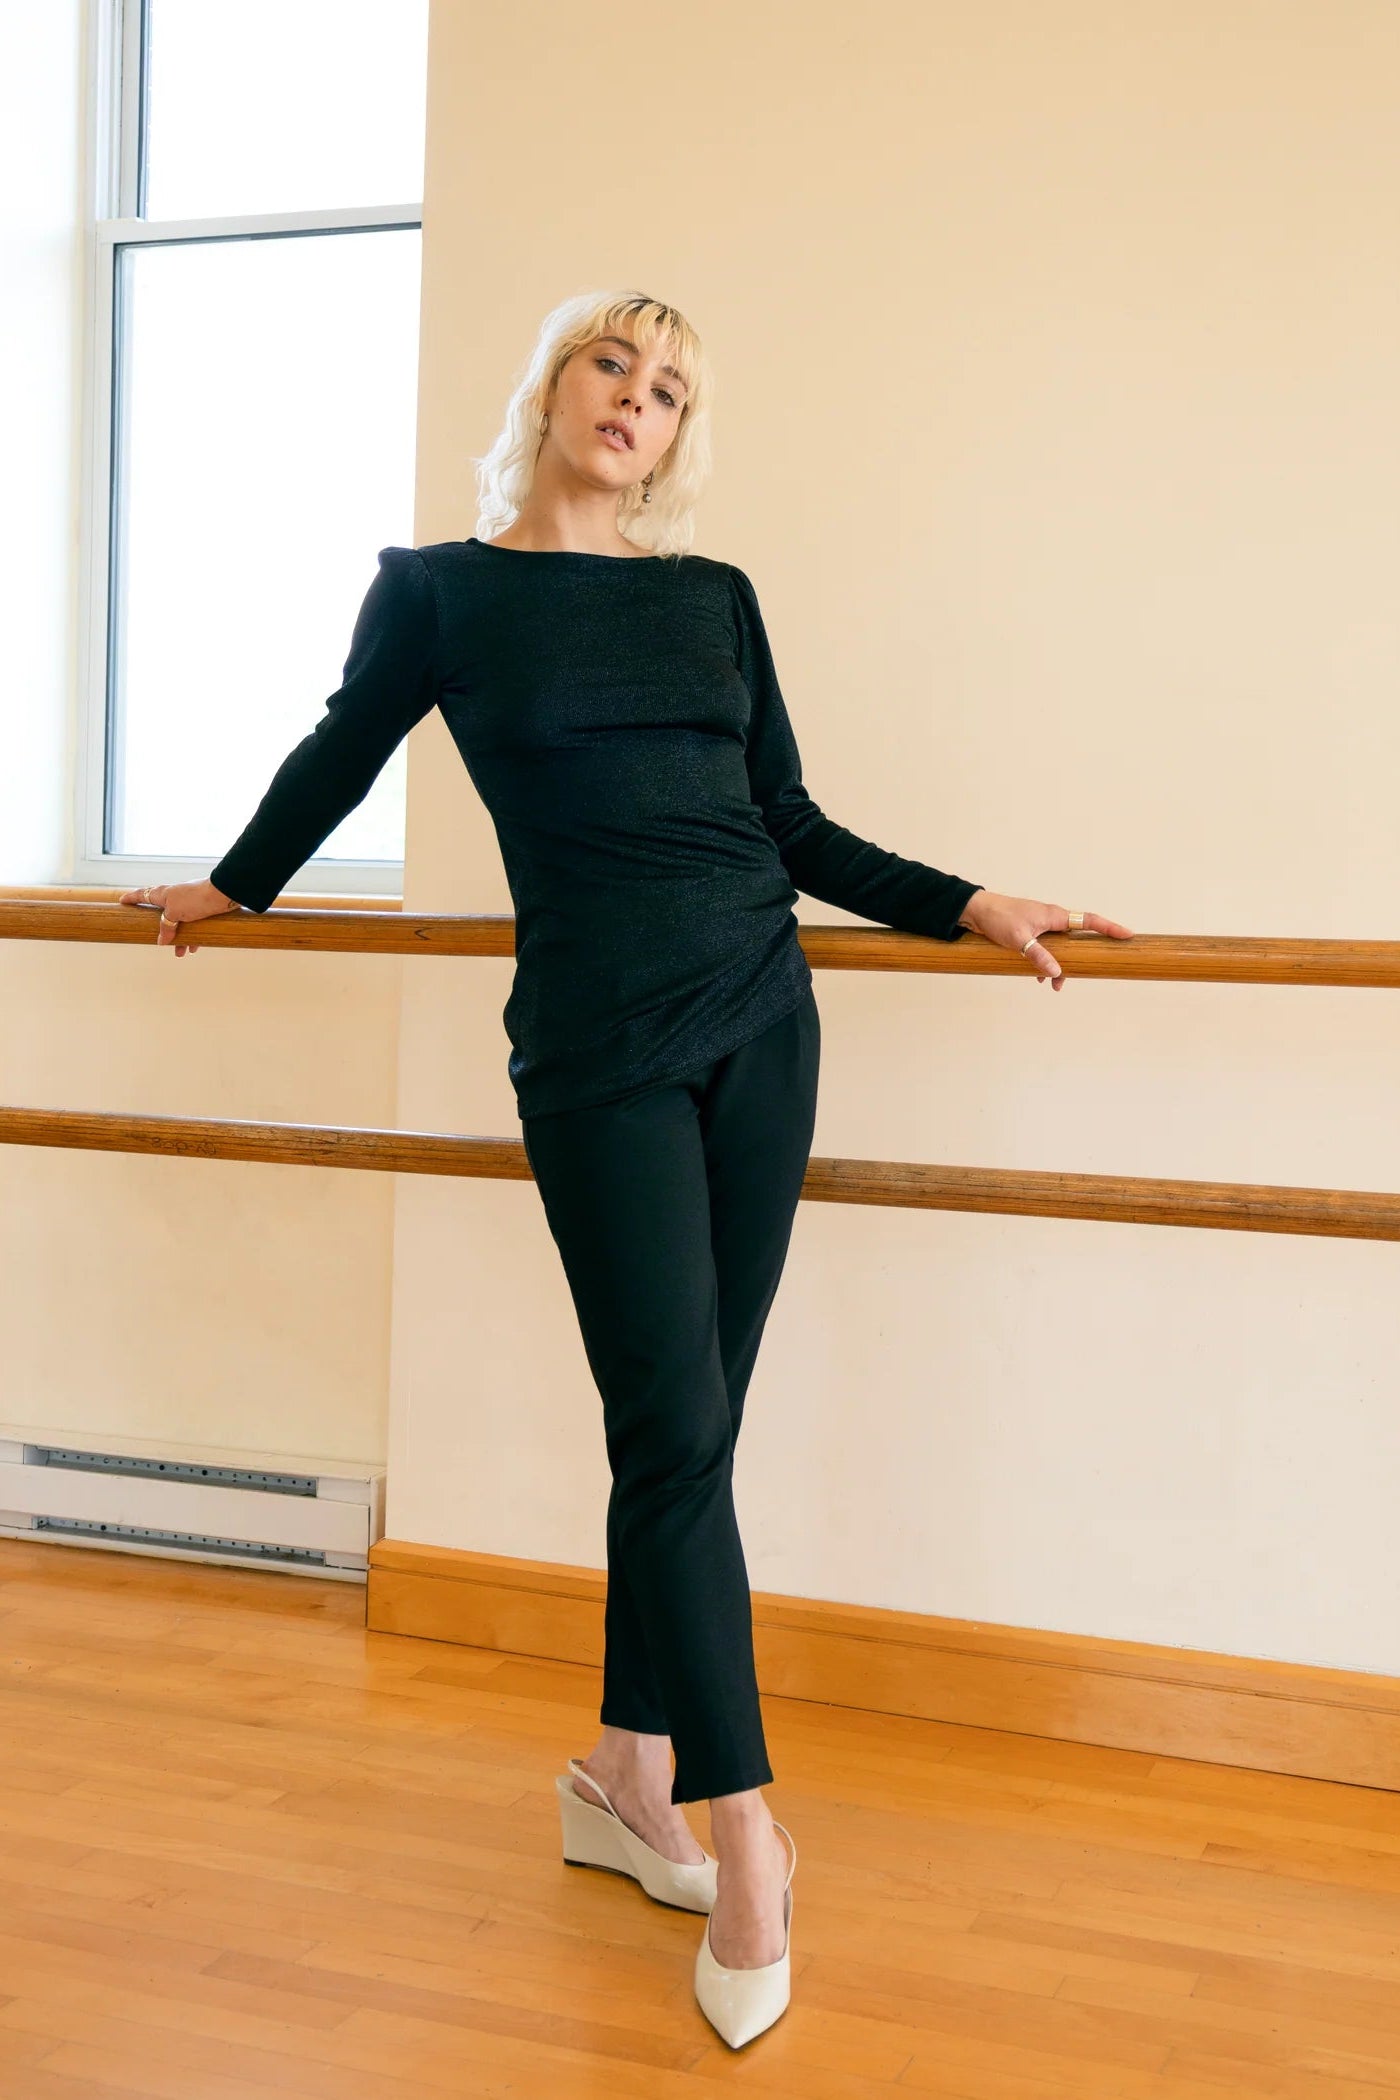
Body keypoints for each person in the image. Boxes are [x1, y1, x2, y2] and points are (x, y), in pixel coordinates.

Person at [120, 287, 1133, 2046]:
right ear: (556, 382)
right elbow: (337, 750)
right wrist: (237, 880)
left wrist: (973, 901)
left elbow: (791, 826)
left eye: (668, 391)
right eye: (615, 365)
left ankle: (620, 1770)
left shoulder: (713, 602)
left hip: (766, 1023)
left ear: (676, 438)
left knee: (691, 1432)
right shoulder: (441, 593)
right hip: (598, 1057)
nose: (636, 403)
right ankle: (749, 1844)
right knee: (672, 1433)